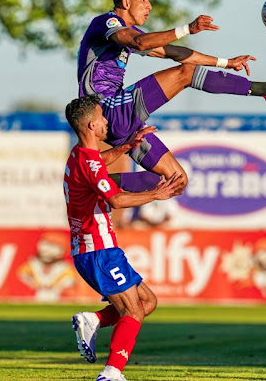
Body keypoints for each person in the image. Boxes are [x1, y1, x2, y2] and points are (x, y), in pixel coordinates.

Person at [78, 0, 266, 192]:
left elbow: (176, 52)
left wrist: (225, 62)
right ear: (126, 3)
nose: (149, 6)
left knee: (176, 181)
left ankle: (94, 183)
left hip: (120, 122)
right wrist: (187, 28)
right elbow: (139, 42)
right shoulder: (106, 23)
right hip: (104, 108)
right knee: (185, 74)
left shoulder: (132, 33)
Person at [64, 95, 184, 381]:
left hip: (97, 249)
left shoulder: (79, 154)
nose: (107, 121)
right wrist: (157, 194)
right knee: (133, 310)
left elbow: (99, 161)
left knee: (147, 303)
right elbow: (116, 200)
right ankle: (111, 373)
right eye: (103, 117)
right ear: (93, 124)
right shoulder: (90, 164)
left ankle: (93, 319)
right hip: (98, 250)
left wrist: (127, 147)